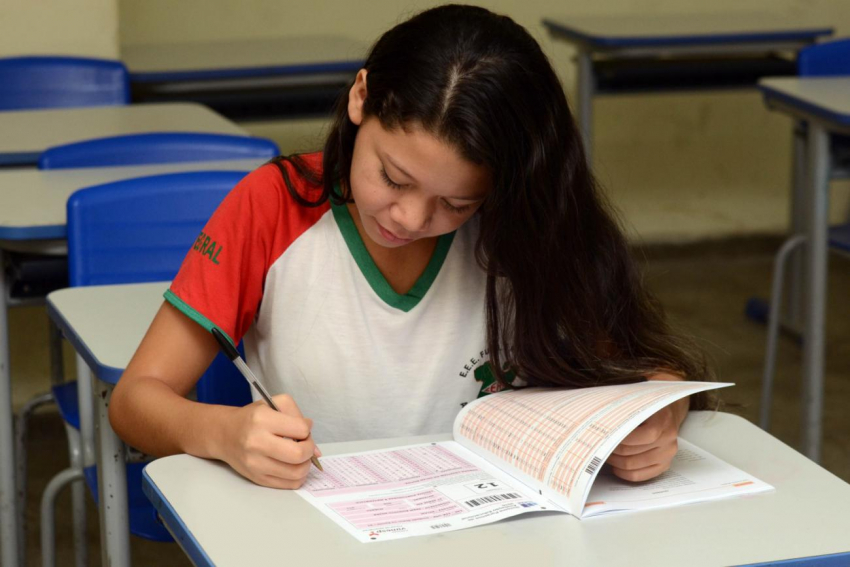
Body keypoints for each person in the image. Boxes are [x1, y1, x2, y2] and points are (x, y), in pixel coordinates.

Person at [109, 4, 712, 490]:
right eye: (393, 178)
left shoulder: (522, 223)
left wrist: (657, 416)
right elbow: (135, 400)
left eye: (457, 204)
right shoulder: (274, 206)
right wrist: (222, 433)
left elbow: (642, 370)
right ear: (361, 99)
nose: (411, 218)